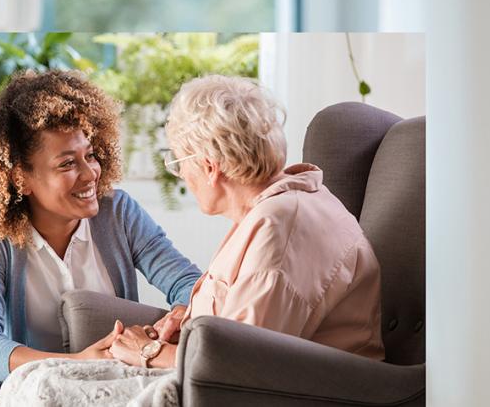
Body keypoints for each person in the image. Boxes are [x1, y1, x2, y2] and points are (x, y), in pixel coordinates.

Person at [0, 70, 202, 407]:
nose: (91, 173)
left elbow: (188, 283)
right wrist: (74, 364)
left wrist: (179, 316)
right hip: (28, 385)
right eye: (67, 164)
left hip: (110, 380)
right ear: (21, 178)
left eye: (89, 155)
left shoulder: (117, 213)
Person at [108, 74, 385, 369]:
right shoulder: (282, 206)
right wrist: (190, 320)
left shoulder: (280, 228)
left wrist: (149, 352)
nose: (183, 176)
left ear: (209, 166)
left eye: (178, 163)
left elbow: (240, 363)